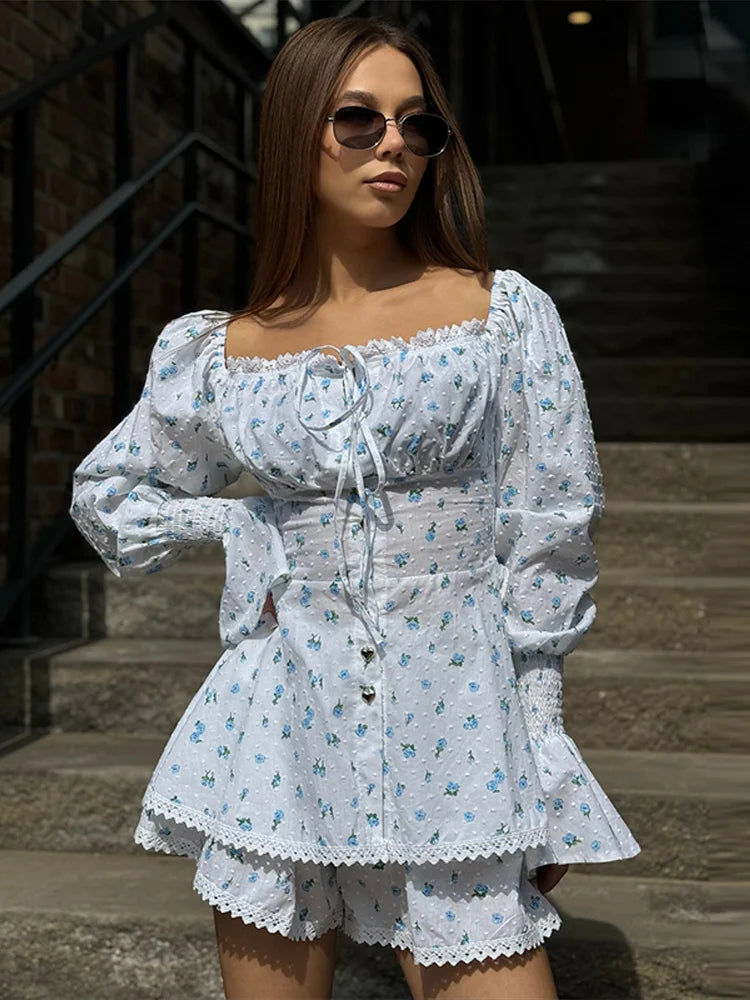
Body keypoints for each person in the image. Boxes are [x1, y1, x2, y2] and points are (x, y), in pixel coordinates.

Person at [69, 14, 641, 1000]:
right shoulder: (220, 351)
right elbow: (106, 491)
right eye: (358, 119)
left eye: (418, 127)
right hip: (276, 735)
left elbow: (549, 527)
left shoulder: (498, 316)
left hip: (460, 732)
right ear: (295, 133)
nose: (394, 146)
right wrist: (236, 523)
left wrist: (541, 738)